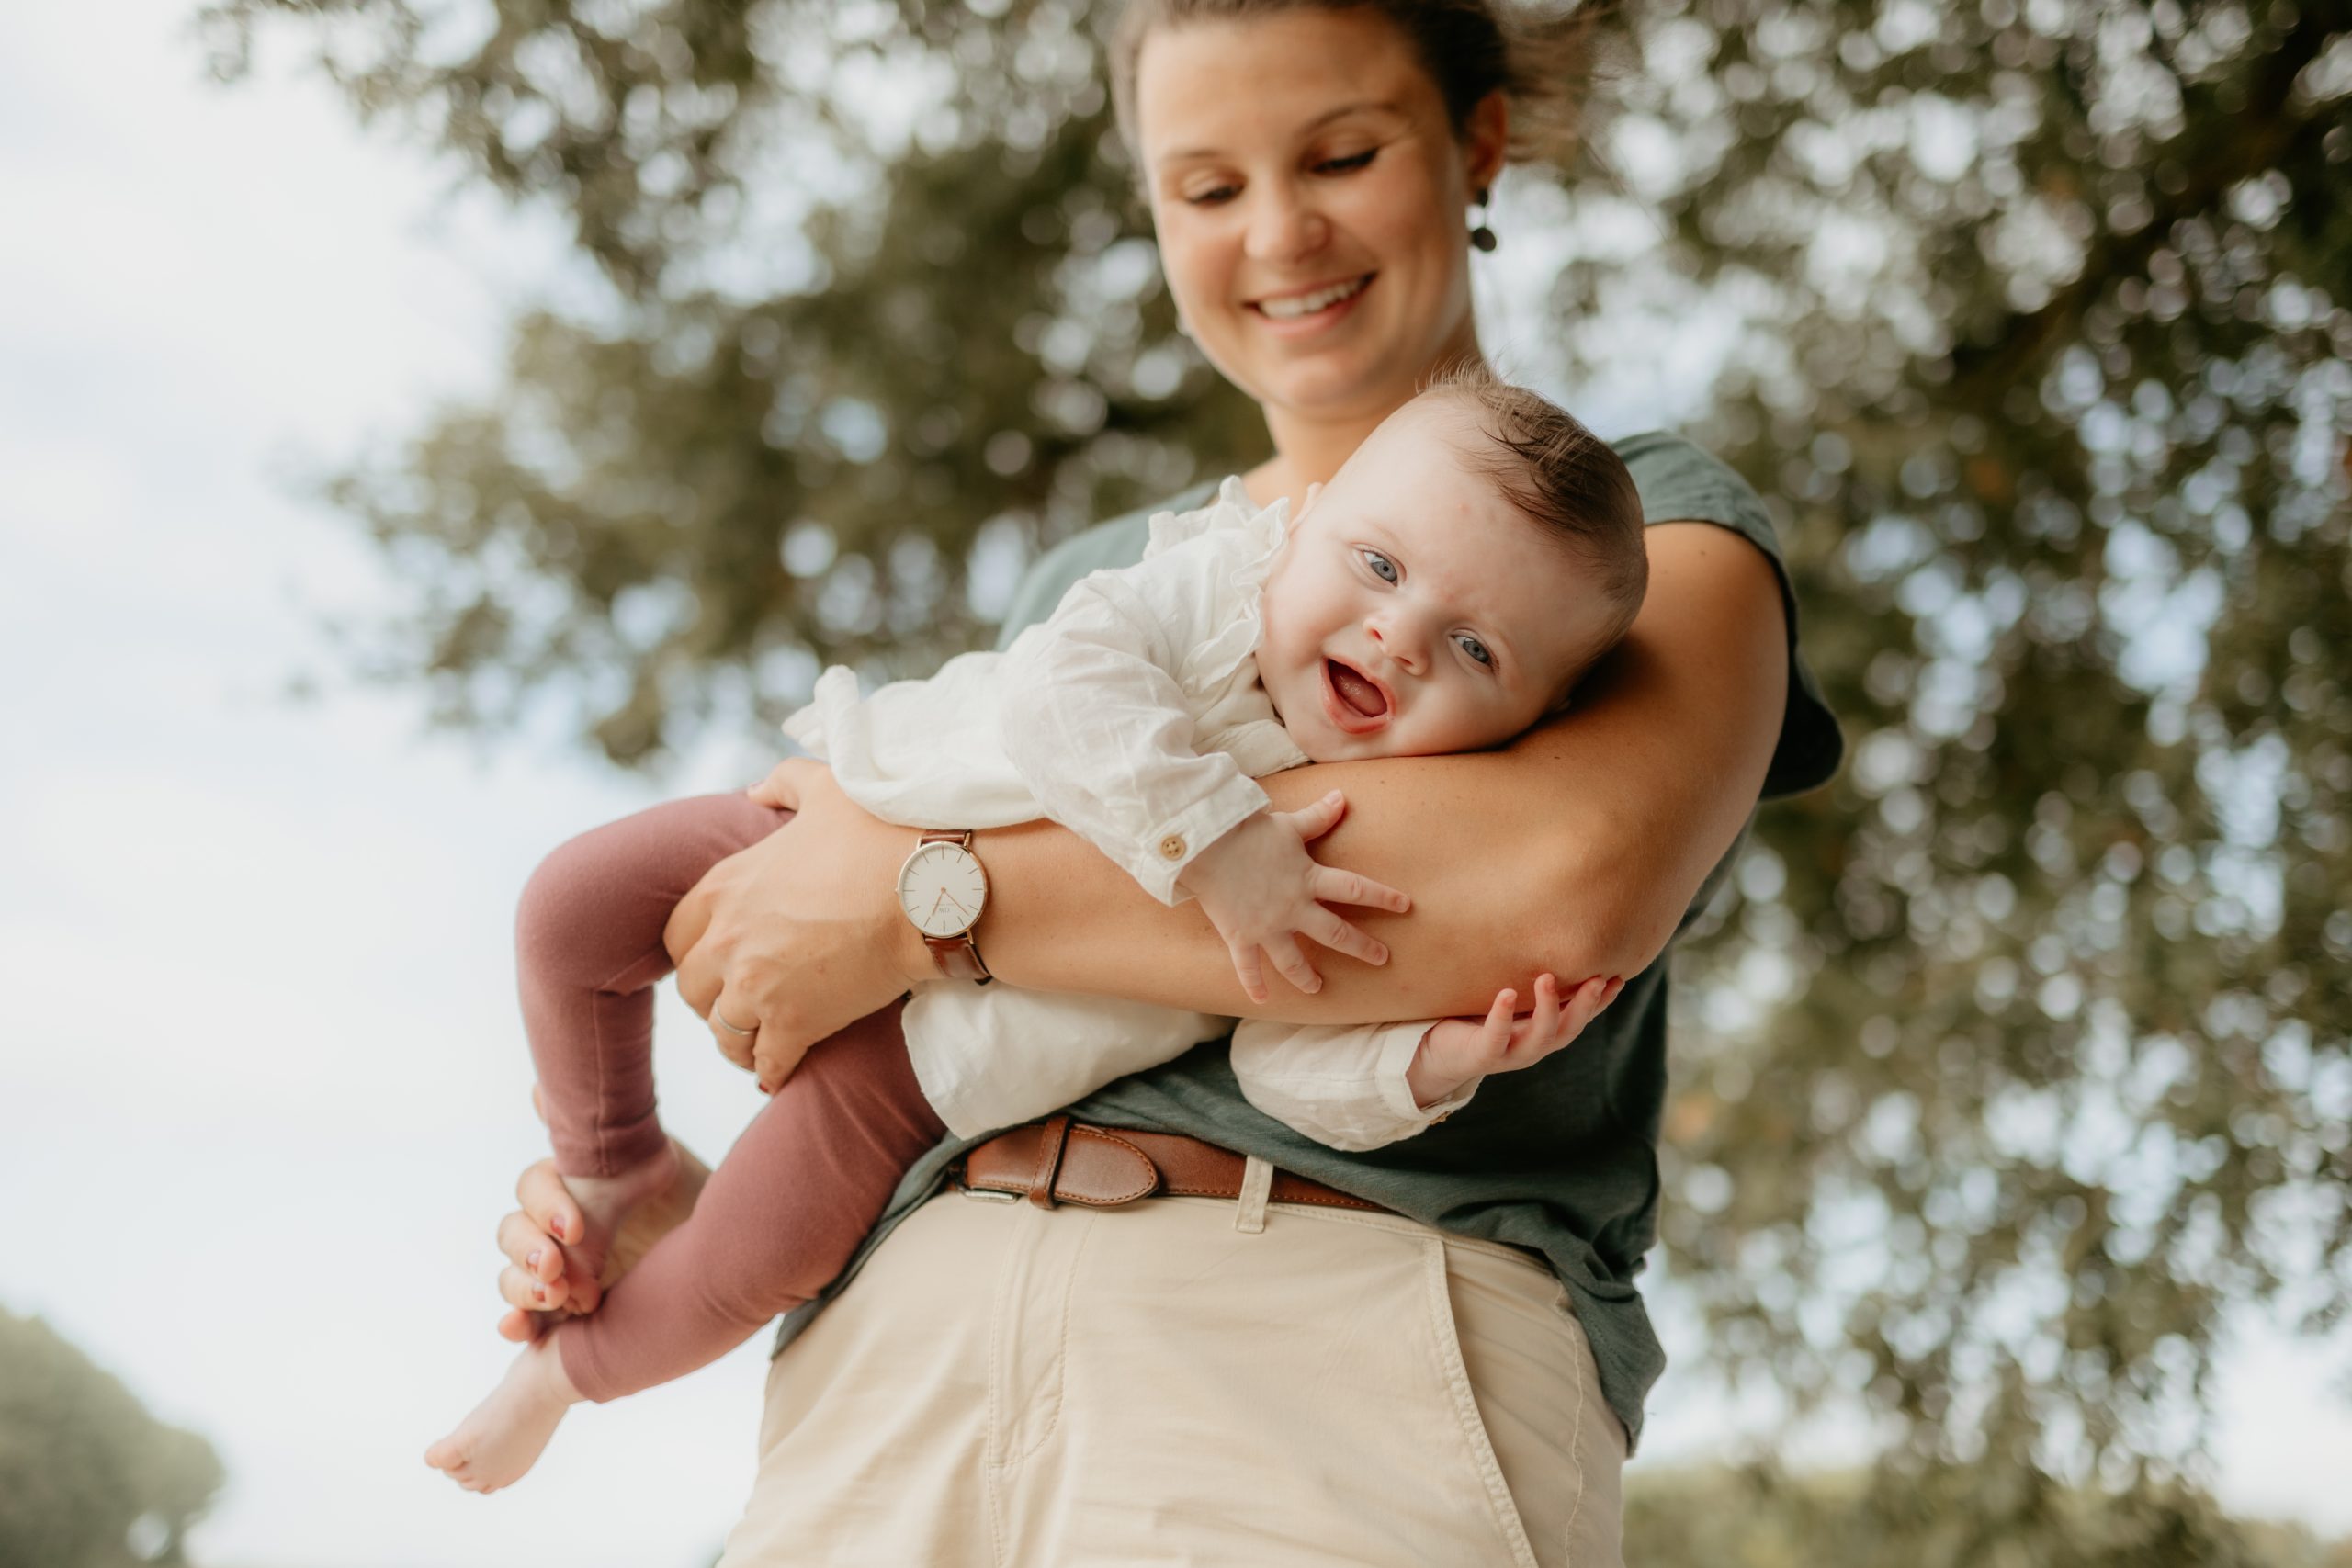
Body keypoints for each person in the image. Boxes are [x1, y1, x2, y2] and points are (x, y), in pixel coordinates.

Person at [484, 2, 1842, 1563]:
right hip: (899, 1352)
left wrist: (926, 888)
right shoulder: (1097, 580)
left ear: (1475, 147)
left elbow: (1551, 888)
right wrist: (714, 1212)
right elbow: (954, 1029)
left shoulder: (1654, 532)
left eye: (1342, 152)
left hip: (1333, 1340)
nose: (1279, 230)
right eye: (1205, 187)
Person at [426, 372, 1645, 1493]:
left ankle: (561, 1376)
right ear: (1307, 520)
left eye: (1476, 648)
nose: (1401, 635)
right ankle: (612, 1154)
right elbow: (1069, 682)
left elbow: (1284, 1066)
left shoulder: (1359, 850)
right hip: (872, 810)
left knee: (755, 1252)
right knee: (571, 905)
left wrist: (1437, 1061)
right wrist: (1219, 843)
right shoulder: (1216, 587)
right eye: (1378, 565)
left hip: (934, 1073)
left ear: (1529, 724)